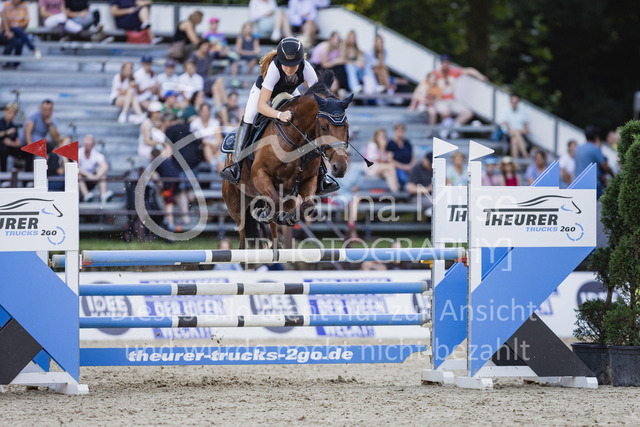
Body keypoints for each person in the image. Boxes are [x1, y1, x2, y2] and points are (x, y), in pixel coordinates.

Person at [220, 37, 335, 195]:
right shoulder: (275, 68)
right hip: (263, 94)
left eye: (293, 65)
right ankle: (236, 166)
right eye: (285, 64)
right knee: (250, 116)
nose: (289, 69)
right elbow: (262, 105)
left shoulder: (306, 68)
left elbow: (318, 97)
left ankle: (322, 175)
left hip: (288, 93)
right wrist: (279, 115)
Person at [434, 54, 487, 126]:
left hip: (452, 100)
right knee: (446, 112)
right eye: (443, 62)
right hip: (440, 100)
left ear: (449, 63)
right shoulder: (435, 74)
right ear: (440, 63)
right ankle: (444, 129)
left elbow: (470, 70)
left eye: (447, 62)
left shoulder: (453, 72)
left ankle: (453, 126)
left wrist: (479, 76)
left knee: (468, 113)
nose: (445, 64)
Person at [574, 125, 614, 197]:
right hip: (592, 185)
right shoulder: (595, 149)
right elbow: (605, 166)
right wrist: (613, 175)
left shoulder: (578, 149)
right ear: (595, 136)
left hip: (577, 184)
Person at [188, 40, 228, 108]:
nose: (206, 47)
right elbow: (189, 67)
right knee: (219, 80)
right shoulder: (194, 55)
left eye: (207, 46)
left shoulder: (209, 56)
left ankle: (219, 107)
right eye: (204, 45)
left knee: (215, 87)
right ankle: (225, 102)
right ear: (200, 45)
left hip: (206, 80)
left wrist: (221, 45)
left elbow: (209, 71)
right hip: (197, 80)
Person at [2, 0, 41, 68]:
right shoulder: (6, 5)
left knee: (19, 41)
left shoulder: (24, 6)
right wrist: (12, 26)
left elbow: (26, 21)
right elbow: (4, 21)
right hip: (9, 30)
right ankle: (33, 49)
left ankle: (15, 64)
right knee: (18, 31)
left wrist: (17, 25)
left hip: (20, 30)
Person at [78, 134, 112, 203]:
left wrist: (97, 176)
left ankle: (103, 195)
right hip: (81, 179)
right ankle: (86, 196)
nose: (87, 145)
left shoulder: (96, 154)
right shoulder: (78, 152)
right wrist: (88, 175)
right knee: (78, 174)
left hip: (93, 179)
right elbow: (76, 167)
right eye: (86, 143)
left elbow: (105, 166)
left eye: (89, 143)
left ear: (93, 145)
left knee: (101, 172)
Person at [189, 103, 223, 172]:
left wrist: (216, 145)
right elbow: (199, 140)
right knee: (207, 147)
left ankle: (219, 164)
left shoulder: (215, 122)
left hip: (214, 145)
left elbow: (219, 137)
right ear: (200, 112)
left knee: (219, 146)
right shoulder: (194, 124)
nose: (205, 113)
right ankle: (213, 165)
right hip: (201, 146)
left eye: (207, 111)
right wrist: (210, 144)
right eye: (203, 111)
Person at [343, 30, 376, 94]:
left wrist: (361, 62)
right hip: (348, 68)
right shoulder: (344, 47)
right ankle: (355, 87)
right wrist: (355, 63)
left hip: (358, 69)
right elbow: (343, 60)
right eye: (351, 37)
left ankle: (375, 86)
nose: (353, 39)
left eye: (354, 37)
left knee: (367, 67)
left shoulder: (357, 49)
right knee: (350, 66)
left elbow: (360, 58)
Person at [0, 102, 31, 172]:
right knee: (3, 150)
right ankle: (3, 174)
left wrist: (10, 143)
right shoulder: (1, 123)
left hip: (10, 148)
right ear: (5, 111)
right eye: (10, 113)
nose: (11, 115)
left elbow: (18, 143)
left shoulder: (14, 126)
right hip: (2, 148)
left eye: (14, 114)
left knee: (28, 151)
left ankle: (28, 175)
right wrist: (6, 132)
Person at [386, 122, 414, 190]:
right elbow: (390, 160)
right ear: (395, 131)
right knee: (403, 178)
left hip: (408, 166)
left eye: (402, 130)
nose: (401, 132)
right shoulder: (391, 144)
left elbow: (413, 157)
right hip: (398, 167)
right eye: (399, 130)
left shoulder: (407, 143)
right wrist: (403, 167)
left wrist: (411, 165)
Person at [501, 94, 530, 159]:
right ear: (510, 102)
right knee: (515, 133)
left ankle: (515, 162)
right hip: (508, 134)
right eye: (513, 102)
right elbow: (507, 127)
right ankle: (525, 154)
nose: (514, 104)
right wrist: (515, 131)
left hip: (519, 135)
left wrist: (517, 131)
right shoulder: (506, 111)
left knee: (514, 140)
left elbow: (526, 130)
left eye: (516, 102)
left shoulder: (523, 112)